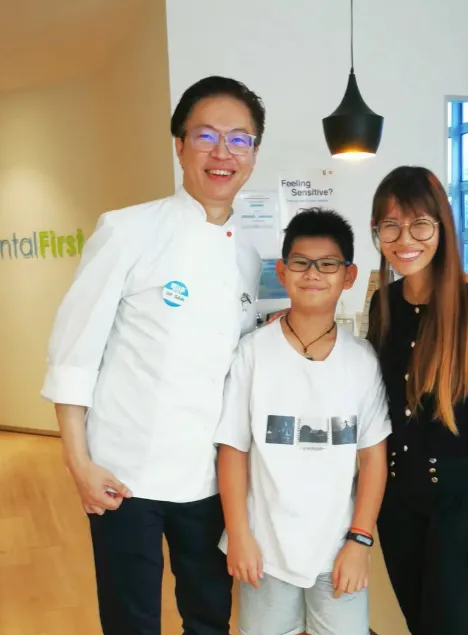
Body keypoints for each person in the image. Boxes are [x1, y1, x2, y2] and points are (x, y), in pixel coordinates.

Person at [40, 76, 266, 635]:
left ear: (254, 152)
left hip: (208, 479)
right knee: (131, 622)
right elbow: (74, 353)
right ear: (180, 145)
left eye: (239, 139)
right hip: (124, 475)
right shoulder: (127, 229)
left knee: (210, 617)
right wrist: (78, 462)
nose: (223, 152)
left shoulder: (249, 256)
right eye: (206, 135)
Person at [214, 208, 391, 635]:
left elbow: (374, 459)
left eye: (328, 264)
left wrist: (360, 540)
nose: (313, 274)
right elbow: (233, 450)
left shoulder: (362, 361)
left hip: (339, 550)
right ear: (282, 271)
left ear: (348, 276)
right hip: (265, 550)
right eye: (300, 262)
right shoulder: (253, 353)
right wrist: (238, 535)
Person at [366, 166, 468, 635]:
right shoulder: (383, 304)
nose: (404, 239)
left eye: (420, 224)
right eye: (390, 226)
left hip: (465, 503)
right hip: (397, 503)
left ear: (442, 227)